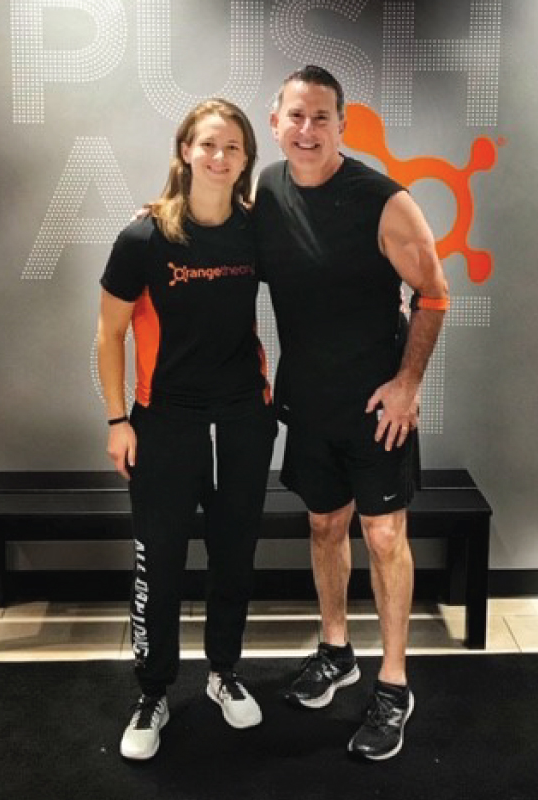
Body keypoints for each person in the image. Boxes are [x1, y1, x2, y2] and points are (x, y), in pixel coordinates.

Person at [253, 65, 449, 761]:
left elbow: (434, 293)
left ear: (342, 125)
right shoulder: (267, 192)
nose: (308, 130)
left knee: (385, 537)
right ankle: (336, 651)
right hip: (307, 400)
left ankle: (394, 683)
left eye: (322, 117)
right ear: (275, 122)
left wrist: (407, 383)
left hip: (376, 403)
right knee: (323, 523)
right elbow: (216, 249)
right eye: (296, 116)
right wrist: (155, 226)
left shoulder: (383, 202)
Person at [98, 98, 278, 762]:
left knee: (234, 554)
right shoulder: (143, 239)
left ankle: (225, 675)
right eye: (208, 145)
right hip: (165, 421)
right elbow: (109, 334)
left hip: (241, 419)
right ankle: (152, 692)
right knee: (160, 562)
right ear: (185, 151)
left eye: (233, 147)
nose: (220, 157)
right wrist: (118, 420)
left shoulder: (257, 232)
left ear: (245, 160)